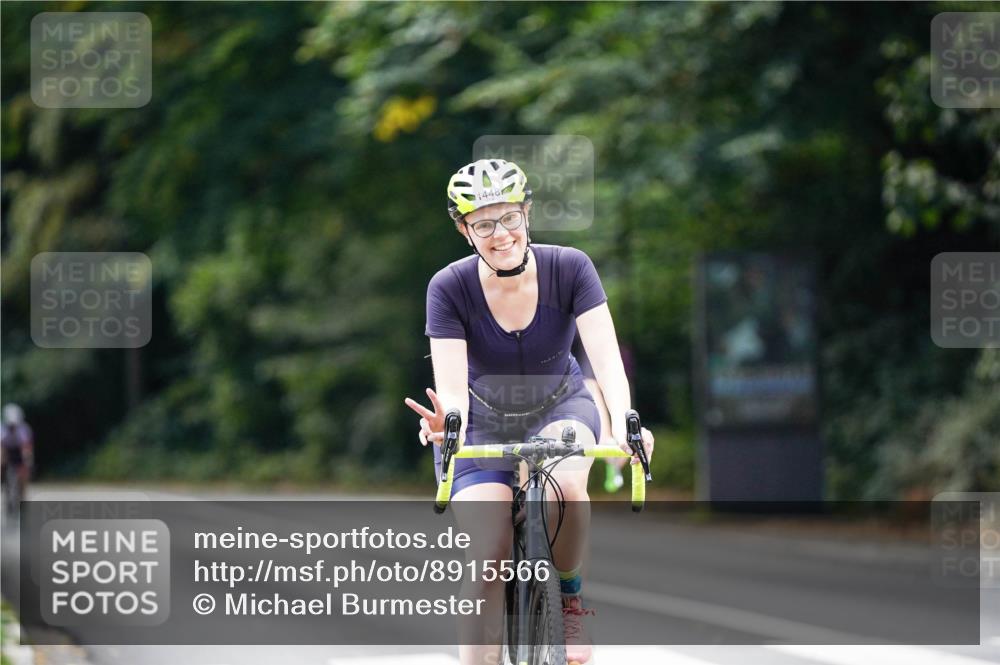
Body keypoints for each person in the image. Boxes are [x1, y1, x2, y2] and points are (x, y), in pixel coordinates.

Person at [404, 158, 653, 665]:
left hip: (560, 404)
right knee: (488, 556)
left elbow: (605, 359)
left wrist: (626, 421)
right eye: (483, 223)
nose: (501, 235)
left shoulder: (570, 266)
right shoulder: (448, 287)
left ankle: (568, 598)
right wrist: (446, 423)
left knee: (564, 487)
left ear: (527, 214)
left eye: (510, 218)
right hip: (481, 421)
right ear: (464, 228)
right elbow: (451, 387)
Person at [1, 404, 34, 509]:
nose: (12, 427)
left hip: (20, 452)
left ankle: (23, 495)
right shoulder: (2, 429)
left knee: (24, 471)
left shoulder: (24, 429)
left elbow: (26, 448)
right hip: (7, 451)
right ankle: (3, 483)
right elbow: (2, 447)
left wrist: (27, 461)